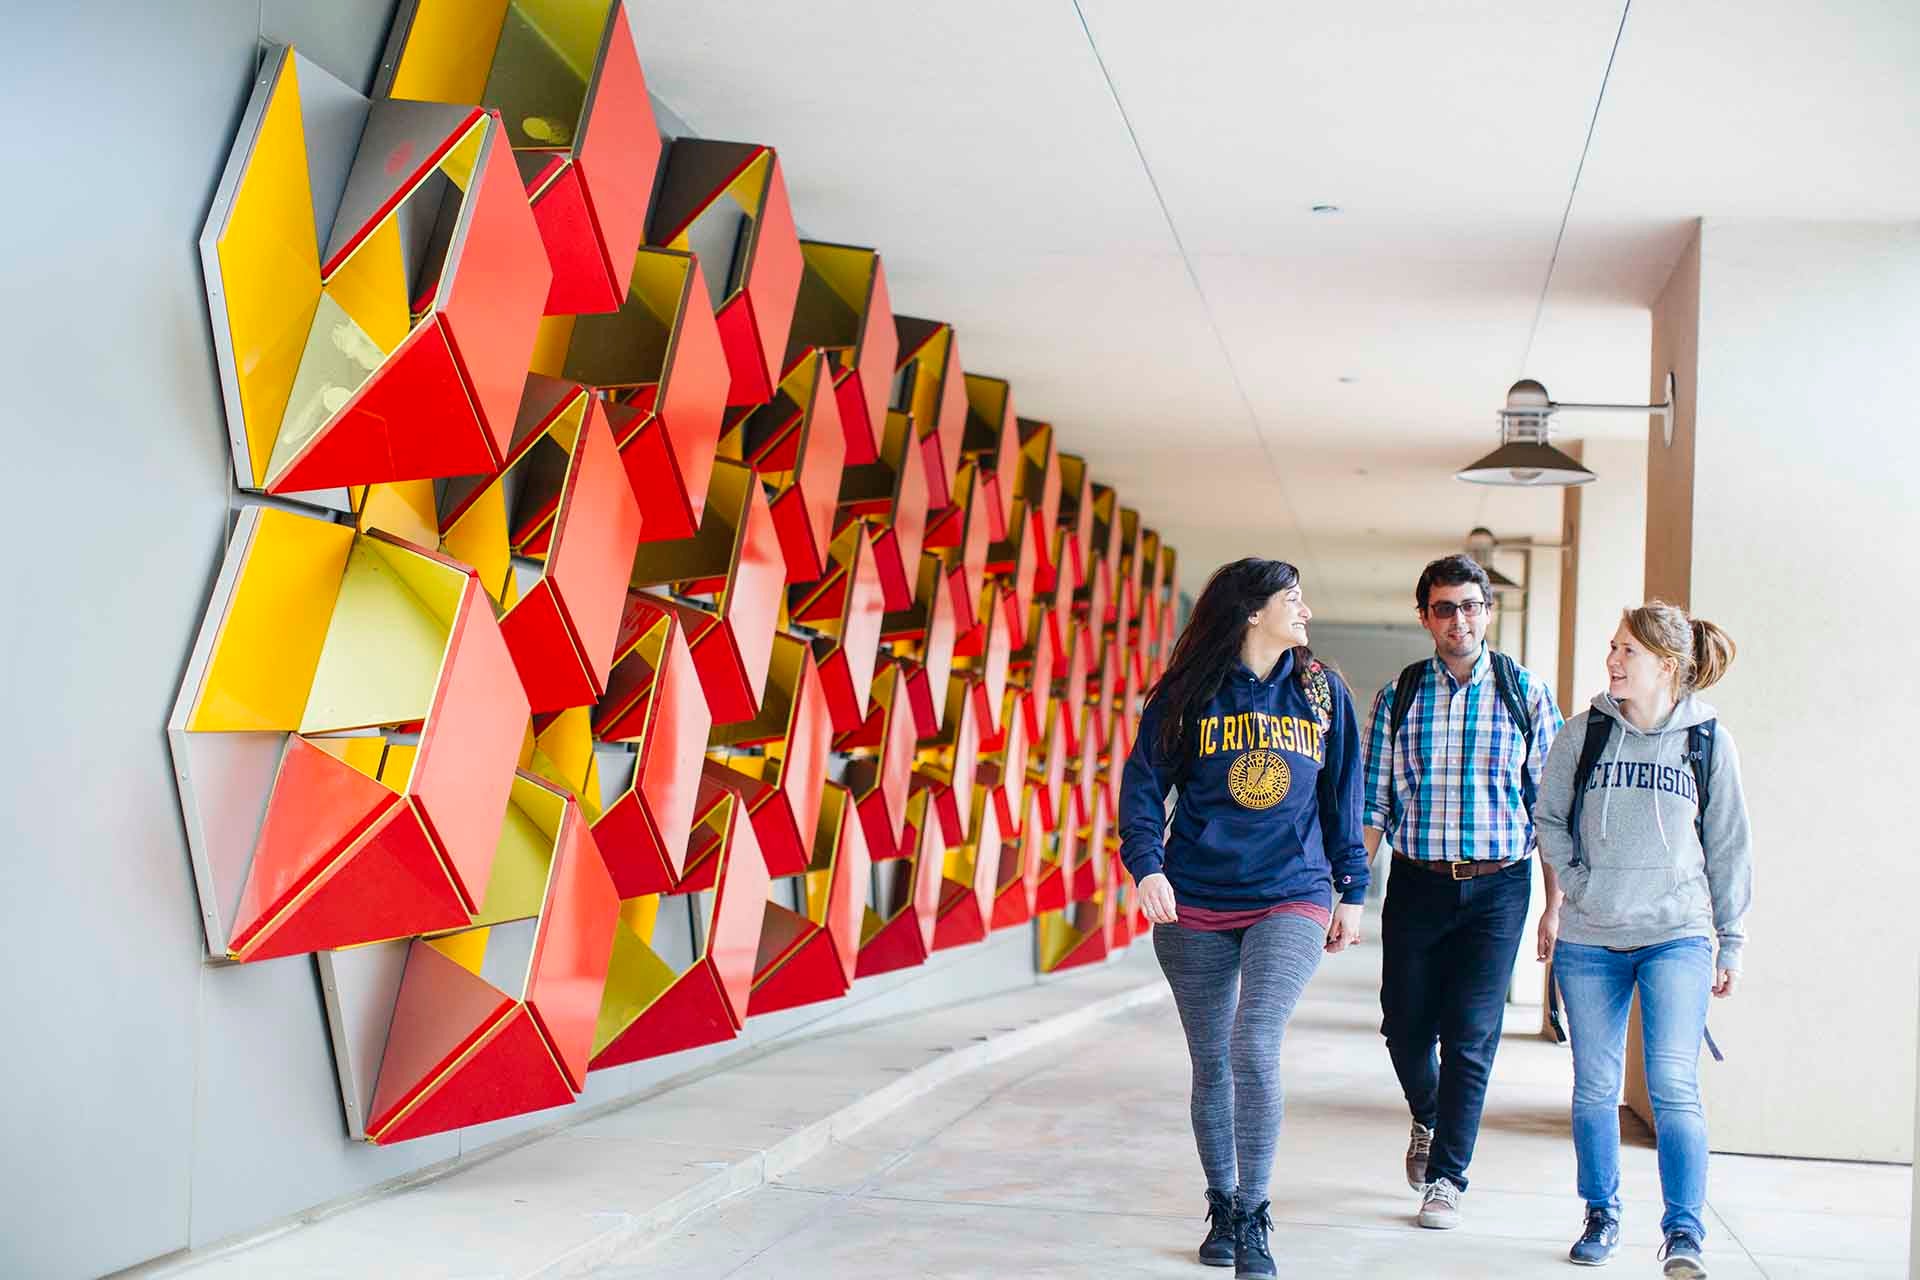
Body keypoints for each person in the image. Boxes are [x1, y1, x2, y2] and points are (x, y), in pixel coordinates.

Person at [1119, 558, 1370, 1279]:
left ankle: (1256, 1213)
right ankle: (1223, 1202)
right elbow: (1143, 788)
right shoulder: (1187, 694)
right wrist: (1148, 866)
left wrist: (1351, 888)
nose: (1306, 611)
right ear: (1252, 611)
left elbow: (1343, 796)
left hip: (1291, 892)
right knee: (1212, 1061)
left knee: (1253, 1042)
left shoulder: (1321, 691)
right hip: (1194, 897)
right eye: (1293, 599)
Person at [1536, 603, 1751, 1278]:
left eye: (1627, 650)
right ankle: (1601, 1213)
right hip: (1591, 938)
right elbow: (1547, 816)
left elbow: (1729, 845)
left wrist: (1731, 939)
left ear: (1666, 665)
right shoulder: (1584, 733)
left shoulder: (1707, 741)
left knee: (1673, 1085)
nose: (1612, 659)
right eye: (1612, 646)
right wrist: (1578, 884)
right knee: (1595, 1088)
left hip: (1675, 935)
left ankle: (1684, 1233)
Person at [1361, 554, 1564, 1230]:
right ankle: (1429, 1115)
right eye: (1445, 608)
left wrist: (1555, 904)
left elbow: (1549, 811)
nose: (1459, 620)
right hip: (1417, 883)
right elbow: (1374, 804)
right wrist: (1346, 896)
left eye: (1470, 606)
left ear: (1488, 611)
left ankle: (1447, 1178)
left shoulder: (1526, 693)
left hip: (1498, 888)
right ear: (1425, 617)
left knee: (1472, 1035)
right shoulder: (1399, 695)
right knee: (1403, 1025)